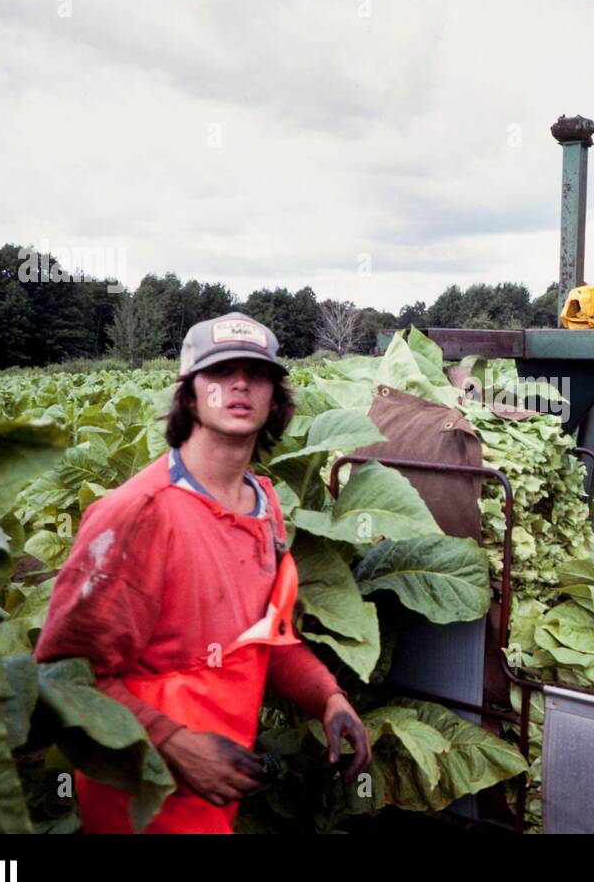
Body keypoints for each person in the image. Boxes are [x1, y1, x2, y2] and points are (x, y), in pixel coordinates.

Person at [36, 312, 371, 833]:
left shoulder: (265, 508)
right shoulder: (137, 513)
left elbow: (267, 638)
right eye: (219, 373)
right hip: (139, 794)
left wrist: (326, 696)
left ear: (274, 398)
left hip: (217, 790)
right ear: (189, 397)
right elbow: (66, 675)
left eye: (256, 373)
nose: (240, 384)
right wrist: (172, 743)